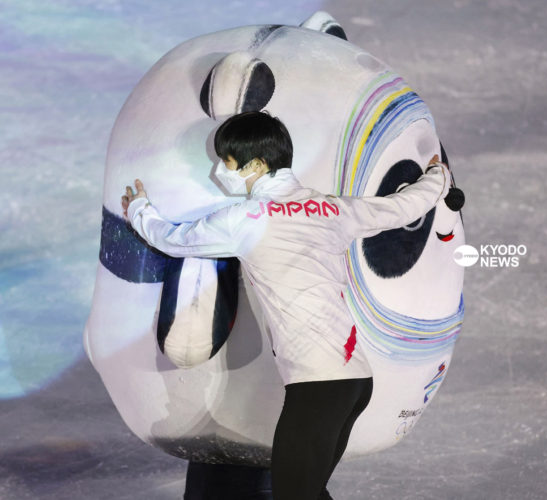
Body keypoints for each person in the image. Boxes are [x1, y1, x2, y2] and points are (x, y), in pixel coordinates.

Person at [121, 111, 452, 500]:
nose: (219, 170)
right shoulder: (331, 209)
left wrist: (138, 210)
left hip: (317, 387)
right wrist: (437, 177)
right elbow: (400, 207)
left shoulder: (246, 219)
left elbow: (174, 240)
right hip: (353, 383)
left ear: (257, 165)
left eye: (226, 161)